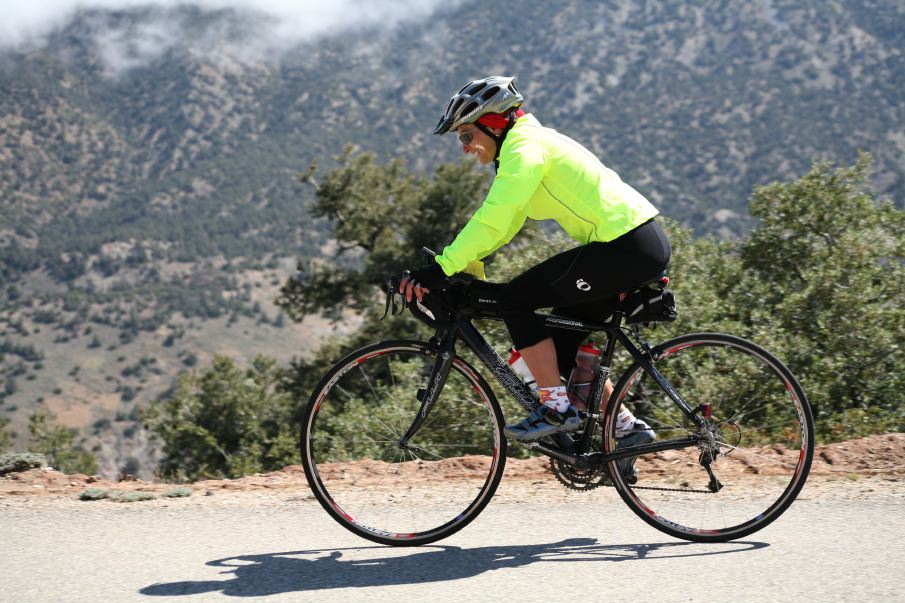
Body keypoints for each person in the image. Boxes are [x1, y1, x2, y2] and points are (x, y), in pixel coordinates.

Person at [399, 75, 668, 443]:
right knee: (558, 343)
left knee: (516, 300)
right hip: (630, 246)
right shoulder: (525, 146)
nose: (464, 147)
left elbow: (496, 214)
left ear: (493, 124)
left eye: (466, 135)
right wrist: (460, 266)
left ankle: (556, 408)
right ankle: (626, 429)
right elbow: (506, 223)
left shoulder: (525, 148)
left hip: (626, 247)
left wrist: (442, 268)